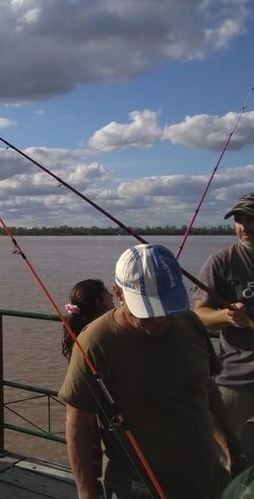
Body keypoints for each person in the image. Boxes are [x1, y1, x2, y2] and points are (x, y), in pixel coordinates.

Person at [59, 244, 241, 499]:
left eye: (167, 305)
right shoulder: (95, 342)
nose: (160, 317)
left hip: (207, 480)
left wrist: (234, 448)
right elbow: (77, 426)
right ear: (118, 293)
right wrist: (87, 492)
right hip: (138, 487)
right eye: (148, 308)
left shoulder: (190, 323)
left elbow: (207, 390)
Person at [194, 192, 254, 465]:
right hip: (236, 383)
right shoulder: (221, 261)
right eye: (240, 220)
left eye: (251, 219)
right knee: (230, 465)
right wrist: (226, 316)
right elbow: (200, 316)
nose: (245, 227)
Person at [60, 278, 114, 496]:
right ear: (100, 302)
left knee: (90, 457)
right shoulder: (100, 333)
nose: (112, 296)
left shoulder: (78, 330)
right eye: (107, 294)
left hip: (84, 405)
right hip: (98, 412)